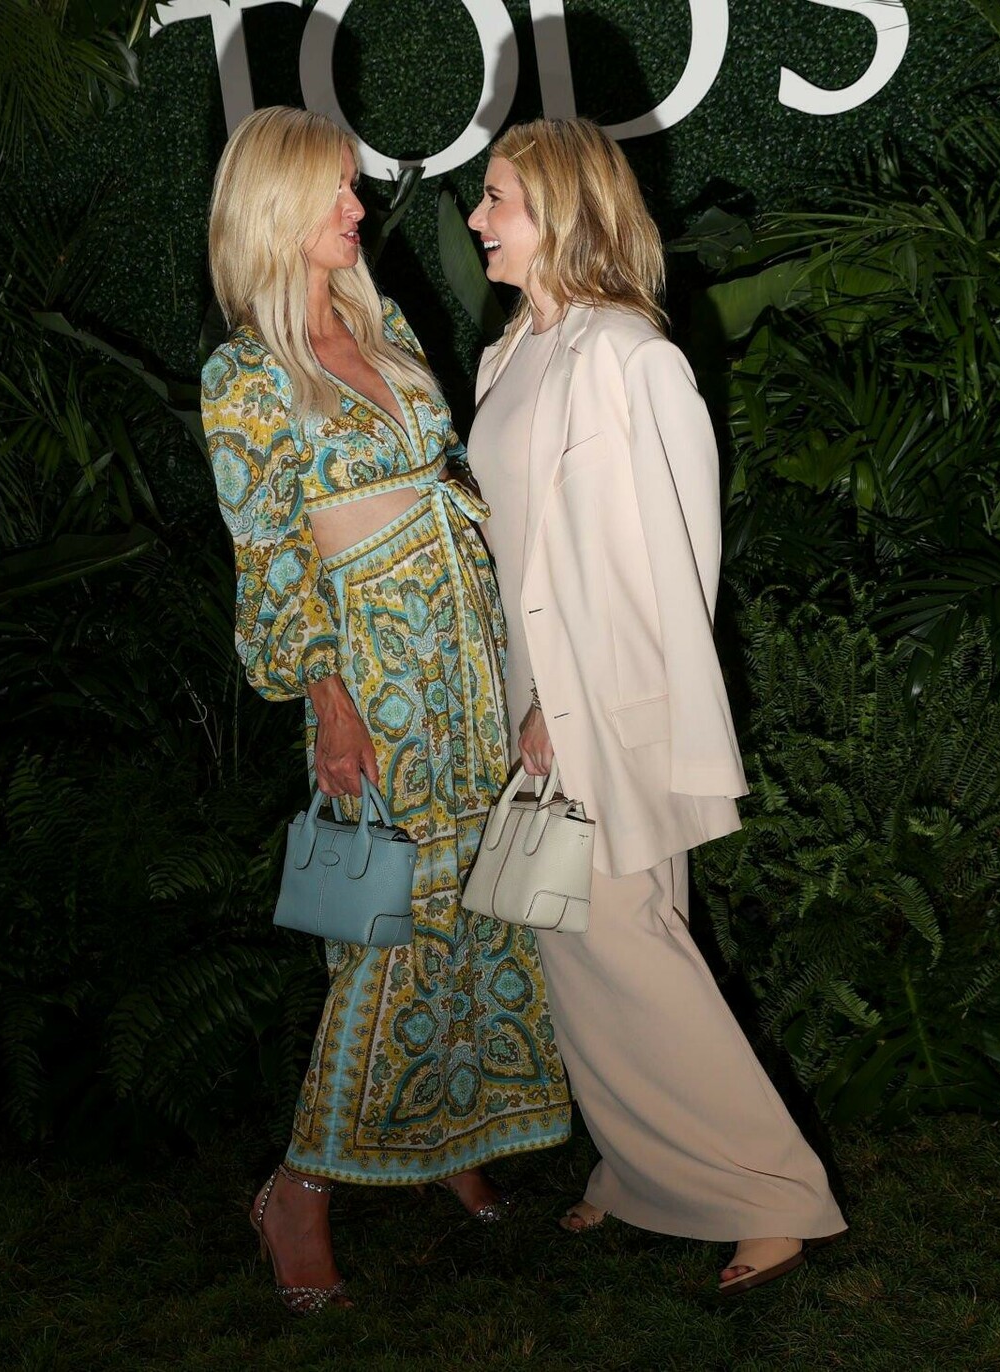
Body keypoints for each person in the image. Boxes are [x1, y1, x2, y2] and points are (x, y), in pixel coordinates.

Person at [464, 117, 847, 1295]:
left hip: (603, 708)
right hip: (535, 705)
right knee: (580, 954)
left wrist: (565, 704)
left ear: (563, 212)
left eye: (499, 199)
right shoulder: (509, 353)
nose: (478, 219)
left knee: (633, 947)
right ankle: (640, 1172)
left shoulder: (635, 357)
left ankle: (774, 1192)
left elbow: (675, 566)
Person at [201, 107, 571, 1314]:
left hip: (465, 651)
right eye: (334, 195)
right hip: (375, 675)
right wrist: (329, 700)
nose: (356, 210)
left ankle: (441, 1137)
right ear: (274, 211)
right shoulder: (245, 377)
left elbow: (451, 476)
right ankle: (298, 1190)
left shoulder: (381, 323)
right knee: (388, 928)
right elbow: (270, 558)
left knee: (476, 906)